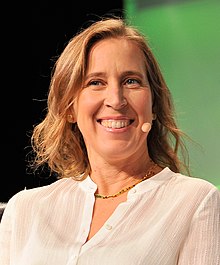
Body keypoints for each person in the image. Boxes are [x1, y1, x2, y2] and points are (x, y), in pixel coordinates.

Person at [0, 16, 219, 265]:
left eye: (131, 81)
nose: (116, 99)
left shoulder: (194, 202)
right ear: (69, 108)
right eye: (96, 83)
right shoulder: (24, 211)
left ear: (154, 105)